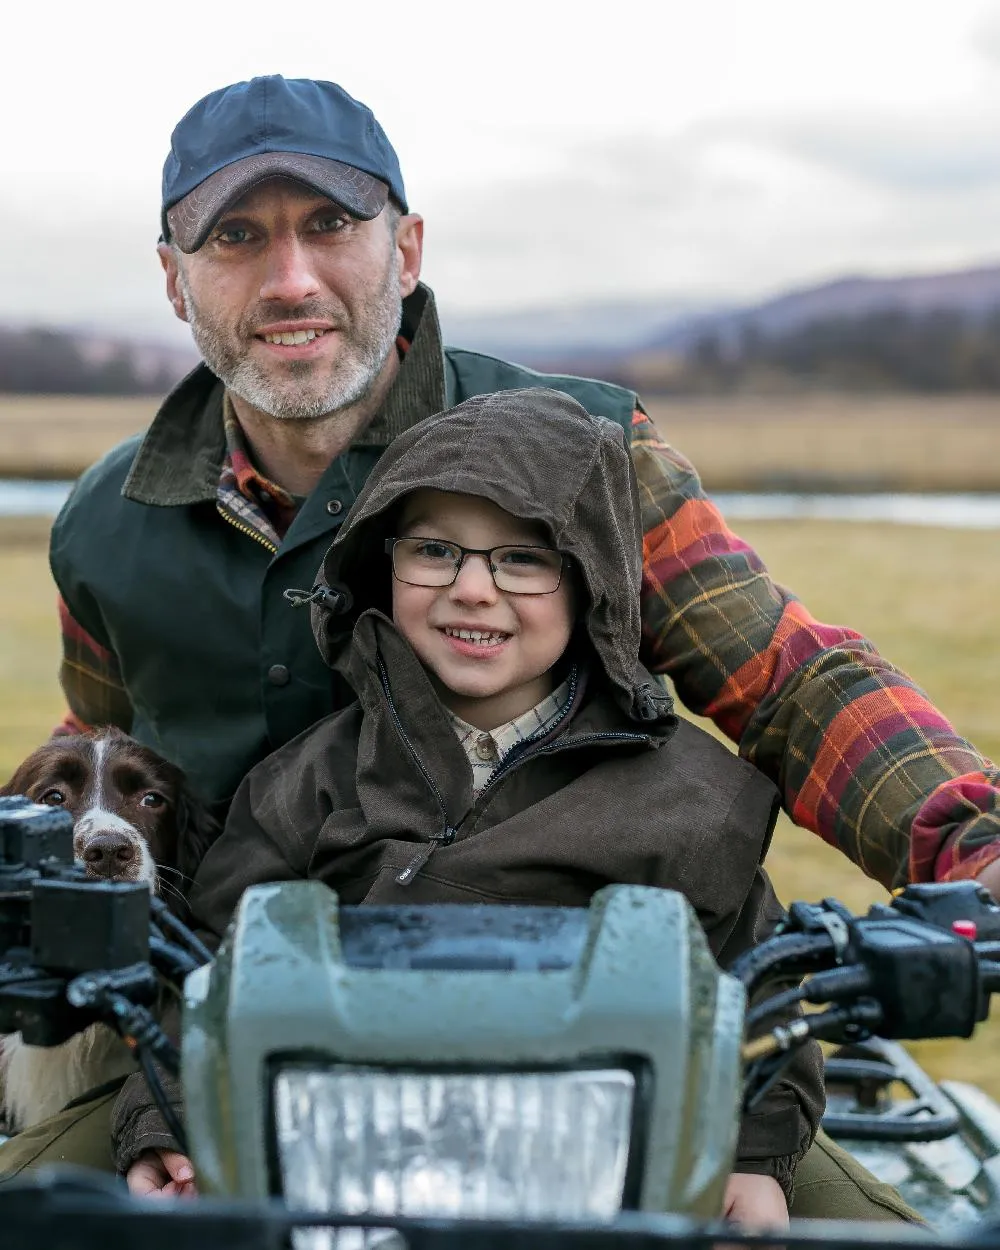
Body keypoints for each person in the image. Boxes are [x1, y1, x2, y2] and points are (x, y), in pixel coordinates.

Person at [2, 72, 980, 1216]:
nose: (290, 278)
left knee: (857, 1235)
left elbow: (785, 677)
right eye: (234, 237)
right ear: (175, 278)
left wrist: (971, 846)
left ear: (405, 248)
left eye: (330, 224)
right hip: (213, 1020)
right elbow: (100, 743)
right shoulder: (106, 522)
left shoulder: (580, 451)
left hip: (592, 1030)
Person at [118, 387, 827, 1228]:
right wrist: (168, 1123)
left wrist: (753, 1159)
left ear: (591, 578)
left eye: (523, 559)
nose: (474, 590)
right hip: (342, 1175)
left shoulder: (693, 799)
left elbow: (762, 999)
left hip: (607, 1181)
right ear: (385, 564)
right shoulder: (305, 782)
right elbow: (202, 969)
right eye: (435, 551)